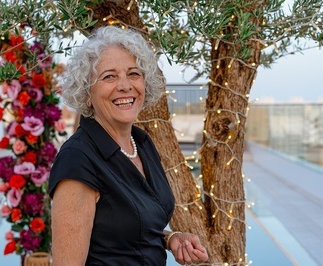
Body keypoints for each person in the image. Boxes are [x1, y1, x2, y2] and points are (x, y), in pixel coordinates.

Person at [49, 26, 208, 265]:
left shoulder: (142, 142)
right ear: (87, 93)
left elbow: (123, 232)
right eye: (109, 76)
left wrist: (171, 238)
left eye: (133, 73)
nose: (125, 85)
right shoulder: (78, 159)